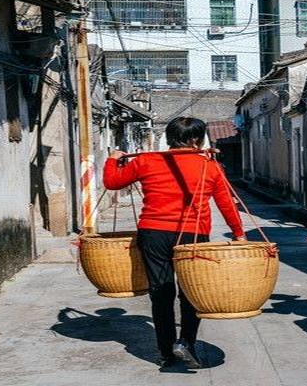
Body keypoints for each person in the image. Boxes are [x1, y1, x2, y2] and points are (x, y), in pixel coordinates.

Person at [103, 117, 246, 369]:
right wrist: (238, 233)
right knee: (191, 291)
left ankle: (166, 352)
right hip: (194, 235)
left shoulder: (145, 161)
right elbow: (226, 202)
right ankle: (186, 343)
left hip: (154, 233)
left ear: (169, 138)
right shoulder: (209, 165)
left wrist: (114, 158)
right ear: (197, 139)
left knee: (161, 293)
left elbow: (112, 182)